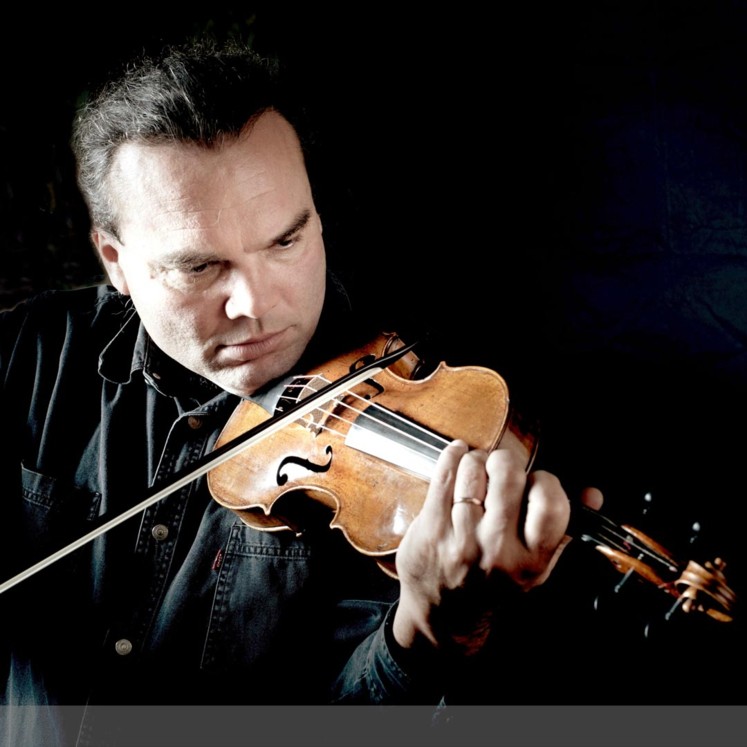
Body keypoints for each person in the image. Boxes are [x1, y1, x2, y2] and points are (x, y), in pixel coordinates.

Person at [0, 37, 602, 746]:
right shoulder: (31, 352)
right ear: (116, 262)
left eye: (285, 242)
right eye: (199, 267)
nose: (256, 304)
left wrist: (434, 630)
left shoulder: (420, 431)